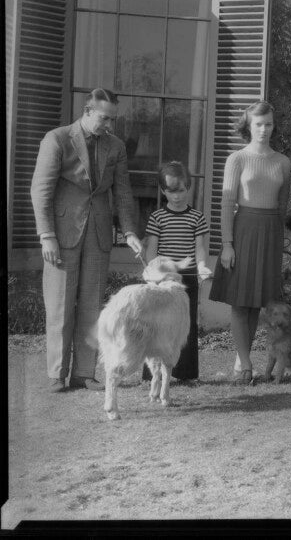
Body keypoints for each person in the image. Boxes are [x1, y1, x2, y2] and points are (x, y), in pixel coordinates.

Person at [31, 87, 143, 393]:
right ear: (88, 111)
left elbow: (122, 192)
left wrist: (130, 231)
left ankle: (83, 373)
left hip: (98, 232)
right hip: (62, 234)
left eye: (112, 119)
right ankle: (57, 373)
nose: (108, 124)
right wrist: (47, 235)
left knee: (92, 305)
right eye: (104, 118)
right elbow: (40, 191)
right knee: (60, 306)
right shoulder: (57, 139)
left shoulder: (116, 146)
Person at [208, 101, 291, 384]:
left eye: (268, 124)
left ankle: (241, 362)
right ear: (248, 126)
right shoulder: (237, 159)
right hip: (243, 231)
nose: (264, 129)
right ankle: (244, 364)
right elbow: (227, 202)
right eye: (258, 124)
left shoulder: (283, 162)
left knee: (258, 303)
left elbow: (283, 206)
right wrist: (227, 243)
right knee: (240, 303)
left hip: (270, 234)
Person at [141, 161, 212, 383]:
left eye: (181, 190)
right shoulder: (157, 217)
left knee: (185, 325)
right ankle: (153, 374)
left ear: (188, 188)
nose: (177, 196)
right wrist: (155, 275)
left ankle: (186, 374)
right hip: (162, 281)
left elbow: (200, 249)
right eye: (171, 191)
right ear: (163, 191)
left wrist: (202, 267)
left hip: (187, 279)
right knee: (157, 325)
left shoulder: (196, 217)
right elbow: (152, 253)